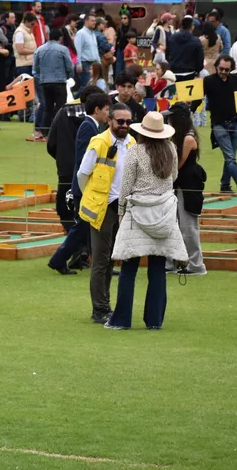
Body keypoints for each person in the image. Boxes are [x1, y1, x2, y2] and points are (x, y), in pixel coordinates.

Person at [107, 111, 187, 330]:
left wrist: (121, 211)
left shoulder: (135, 151)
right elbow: (173, 177)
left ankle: (121, 320)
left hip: (138, 212)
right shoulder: (171, 149)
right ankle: (154, 321)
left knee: (128, 269)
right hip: (163, 212)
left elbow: (126, 185)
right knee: (157, 269)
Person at [76, 101, 135, 324]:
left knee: (111, 259)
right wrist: (91, 197)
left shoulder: (132, 143)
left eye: (128, 121)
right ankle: (100, 309)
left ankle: (105, 305)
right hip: (103, 207)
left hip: (122, 207)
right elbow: (82, 174)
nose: (124, 125)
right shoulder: (99, 142)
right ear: (109, 120)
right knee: (101, 260)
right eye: (120, 121)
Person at [46, 91, 109, 275]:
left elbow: (52, 144)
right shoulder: (88, 126)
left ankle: (87, 258)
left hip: (76, 178)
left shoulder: (85, 123)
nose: (109, 113)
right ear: (96, 108)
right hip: (84, 183)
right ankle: (61, 259)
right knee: (82, 224)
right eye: (107, 109)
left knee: (83, 224)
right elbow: (83, 159)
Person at [167, 102, 206, 276]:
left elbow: (178, 165)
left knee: (188, 226)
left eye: (171, 117)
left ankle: (196, 265)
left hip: (188, 185)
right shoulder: (178, 136)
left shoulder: (188, 138)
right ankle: (172, 262)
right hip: (178, 184)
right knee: (172, 224)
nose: (168, 120)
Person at [203, 55, 237, 193]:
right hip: (219, 125)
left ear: (231, 69)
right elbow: (197, 97)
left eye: (226, 70)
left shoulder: (236, 80)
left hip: (235, 123)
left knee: (230, 158)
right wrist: (190, 111)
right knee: (230, 157)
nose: (223, 72)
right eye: (221, 68)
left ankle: (225, 185)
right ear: (216, 66)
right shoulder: (208, 81)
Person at [167, 16, 204, 81]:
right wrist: (197, 70)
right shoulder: (196, 40)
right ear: (192, 26)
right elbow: (200, 58)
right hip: (190, 73)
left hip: (174, 72)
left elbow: (167, 54)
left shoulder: (172, 38)